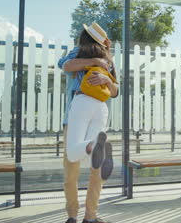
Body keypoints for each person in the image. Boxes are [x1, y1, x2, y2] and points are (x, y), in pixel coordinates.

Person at [58, 22, 118, 223]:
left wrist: (107, 80)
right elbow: (65, 65)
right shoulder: (80, 52)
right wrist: (95, 61)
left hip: (85, 110)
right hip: (75, 117)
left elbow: (115, 90)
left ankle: (90, 216)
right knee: (72, 170)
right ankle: (73, 216)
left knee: (95, 169)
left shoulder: (109, 58)